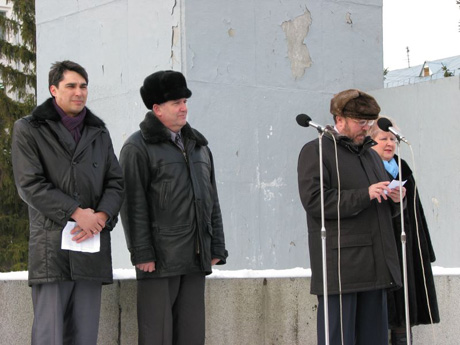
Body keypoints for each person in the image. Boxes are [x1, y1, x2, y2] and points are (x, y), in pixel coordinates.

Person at [11, 60, 124, 345]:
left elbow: (116, 182)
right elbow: (30, 185)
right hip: (52, 251)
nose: (79, 92)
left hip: (91, 248)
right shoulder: (29, 129)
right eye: (71, 85)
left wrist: (101, 216)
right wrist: (75, 213)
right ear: (54, 90)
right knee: (50, 336)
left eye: (83, 86)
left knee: (85, 336)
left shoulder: (99, 132)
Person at [119, 70, 228, 345]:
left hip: (195, 258)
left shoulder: (199, 147)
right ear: (157, 109)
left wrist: (216, 246)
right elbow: (132, 204)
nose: (184, 108)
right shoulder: (137, 147)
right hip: (158, 261)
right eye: (176, 103)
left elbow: (211, 200)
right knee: (157, 335)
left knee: (191, 336)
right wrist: (142, 252)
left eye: (185, 101)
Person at [297, 89, 404, 345]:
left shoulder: (369, 154)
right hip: (342, 268)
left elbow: (378, 205)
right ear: (339, 118)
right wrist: (364, 195)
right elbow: (315, 202)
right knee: (338, 339)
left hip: (376, 266)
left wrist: (395, 200)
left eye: (369, 123)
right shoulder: (317, 151)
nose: (366, 128)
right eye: (360, 122)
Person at [368, 117, 440, 345]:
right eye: (383, 139)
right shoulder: (366, 167)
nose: (389, 143)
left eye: (393, 139)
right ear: (371, 142)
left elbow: (416, 210)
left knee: (404, 311)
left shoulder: (402, 166)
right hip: (379, 250)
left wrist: (423, 248)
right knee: (382, 312)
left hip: (406, 247)